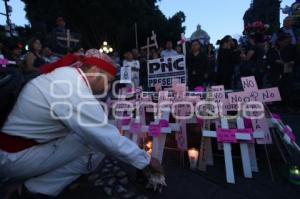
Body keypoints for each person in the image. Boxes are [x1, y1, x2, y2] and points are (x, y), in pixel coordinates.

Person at [0, 49, 163, 198]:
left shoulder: (65, 75)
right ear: (94, 71)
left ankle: (32, 184)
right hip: (15, 158)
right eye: (107, 80)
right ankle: (35, 190)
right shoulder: (72, 87)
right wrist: (146, 161)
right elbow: (106, 136)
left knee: (85, 137)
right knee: (95, 145)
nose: (107, 87)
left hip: (17, 151)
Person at [267, 34, 296, 109]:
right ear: (280, 41)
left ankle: (286, 105)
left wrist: (292, 62)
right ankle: (276, 105)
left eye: (288, 42)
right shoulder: (273, 49)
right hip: (276, 71)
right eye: (285, 42)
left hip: (287, 70)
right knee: (277, 87)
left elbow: (294, 58)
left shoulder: (290, 48)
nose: (286, 43)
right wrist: (277, 61)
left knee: (286, 88)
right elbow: (270, 59)